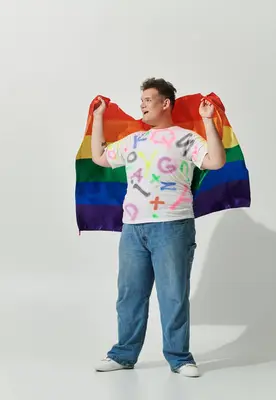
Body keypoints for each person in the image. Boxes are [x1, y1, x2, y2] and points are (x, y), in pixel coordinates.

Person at [90, 78, 226, 377]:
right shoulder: (134, 140)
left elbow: (216, 161)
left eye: (148, 100)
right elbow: (100, 157)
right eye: (141, 100)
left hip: (173, 225)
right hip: (133, 228)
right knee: (129, 294)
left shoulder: (186, 138)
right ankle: (124, 354)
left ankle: (179, 358)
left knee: (173, 294)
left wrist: (208, 121)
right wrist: (98, 117)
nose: (142, 105)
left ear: (166, 103)